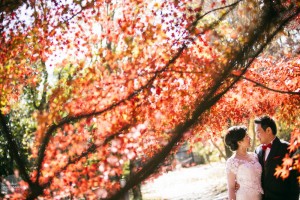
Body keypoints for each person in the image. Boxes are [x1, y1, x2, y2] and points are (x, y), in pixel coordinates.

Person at [254, 115, 299, 200]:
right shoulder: (257, 150)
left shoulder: (287, 148)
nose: (256, 136)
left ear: (268, 130)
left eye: (258, 132)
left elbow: (295, 182)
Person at [225, 125, 263, 200]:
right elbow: (231, 188)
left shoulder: (255, 156)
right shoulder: (232, 162)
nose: (250, 138)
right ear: (239, 142)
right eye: (247, 136)